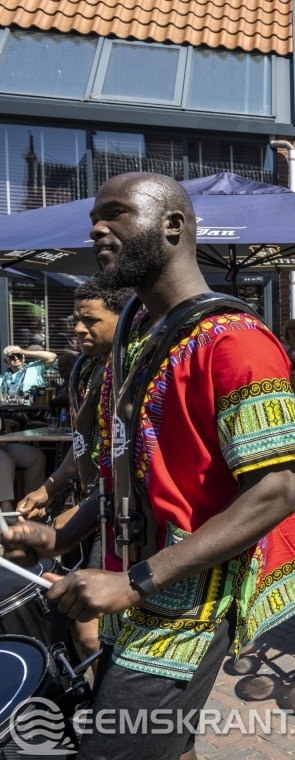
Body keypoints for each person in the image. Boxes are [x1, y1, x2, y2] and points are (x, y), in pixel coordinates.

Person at [1, 172, 295, 758]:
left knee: (116, 746)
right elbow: (126, 470)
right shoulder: (135, 334)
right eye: (95, 217)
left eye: (116, 213)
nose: (97, 228)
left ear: (173, 225)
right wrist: (58, 536)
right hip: (133, 573)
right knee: (164, 743)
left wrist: (133, 582)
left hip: (194, 590)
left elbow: (275, 492)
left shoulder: (236, 342)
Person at [17, 281, 133, 658]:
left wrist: (82, 512)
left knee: (90, 631)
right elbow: (83, 446)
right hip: (92, 507)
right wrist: (48, 489)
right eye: (76, 320)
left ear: (124, 318)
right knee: (74, 623)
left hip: (119, 514)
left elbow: (135, 460)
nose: (79, 329)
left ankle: (109, 688)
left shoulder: (134, 371)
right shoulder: (88, 369)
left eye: (91, 320)